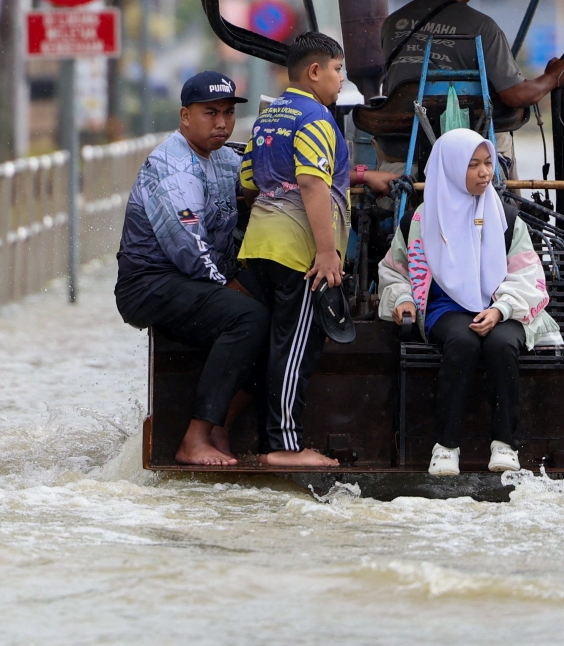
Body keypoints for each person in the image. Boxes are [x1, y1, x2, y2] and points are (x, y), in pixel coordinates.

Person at [238, 31, 399, 467]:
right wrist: (327, 253)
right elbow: (312, 181)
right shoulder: (315, 118)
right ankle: (283, 448)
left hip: (259, 246)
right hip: (300, 254)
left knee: (277, 343)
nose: (340, 79)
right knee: (295, 348)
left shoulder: (270, 117)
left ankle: (270, 439)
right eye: (337, 69)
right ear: (314, 72)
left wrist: (360, 176)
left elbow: (250, 182)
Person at [377, 128, 563, 476]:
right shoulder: (419, 220)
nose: (484, 172)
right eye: (473, 165)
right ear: (449, 168)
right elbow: (394, 269)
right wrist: (402, 299)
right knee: (461, 341)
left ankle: (505, 443)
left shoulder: (505, 219)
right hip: (445, 309)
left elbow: (528, 276)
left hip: (502, 304)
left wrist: (500, 309)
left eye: (488, 163)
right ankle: (446, 446)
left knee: (502, 343)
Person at [115, 71, 267, 468]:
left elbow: (271, 178)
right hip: (151, 283)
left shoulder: (223, 157)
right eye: (210, 113)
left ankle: (219, 425)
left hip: (194, 280)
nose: (222, 123)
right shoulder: (175, 168)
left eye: (229, 113)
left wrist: (360, 176)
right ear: (185, 117)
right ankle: (193, 438)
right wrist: (231, 287)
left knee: (283, 306)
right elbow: (190, 250)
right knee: (247, 316)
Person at [381, 0, 564, 174]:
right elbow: (516, 96)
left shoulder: (392, 24)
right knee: (501, 136)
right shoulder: (481, 28)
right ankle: (509, 212)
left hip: (399, 149)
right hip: (465, 152)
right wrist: (552, 77)